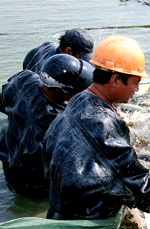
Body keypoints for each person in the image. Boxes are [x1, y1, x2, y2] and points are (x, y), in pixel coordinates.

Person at [42, 35, 150, 220]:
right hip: (84, 221)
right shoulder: (102, 122)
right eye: (135, 82)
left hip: (59, 210)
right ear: (115, 79)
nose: (137, 89)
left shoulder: (78, 100)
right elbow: (134, 183)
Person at [0, 54, 94, 197]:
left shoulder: (25, 80)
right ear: (60, 91)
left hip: (9, 160)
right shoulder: (54, 124)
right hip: (31, 183)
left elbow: (3, 101)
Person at [23, 28, 94, 73]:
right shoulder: (56, 68)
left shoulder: (48, 45)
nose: (83, 62)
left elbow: (27, 60)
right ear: (68, 51)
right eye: (82, 58)